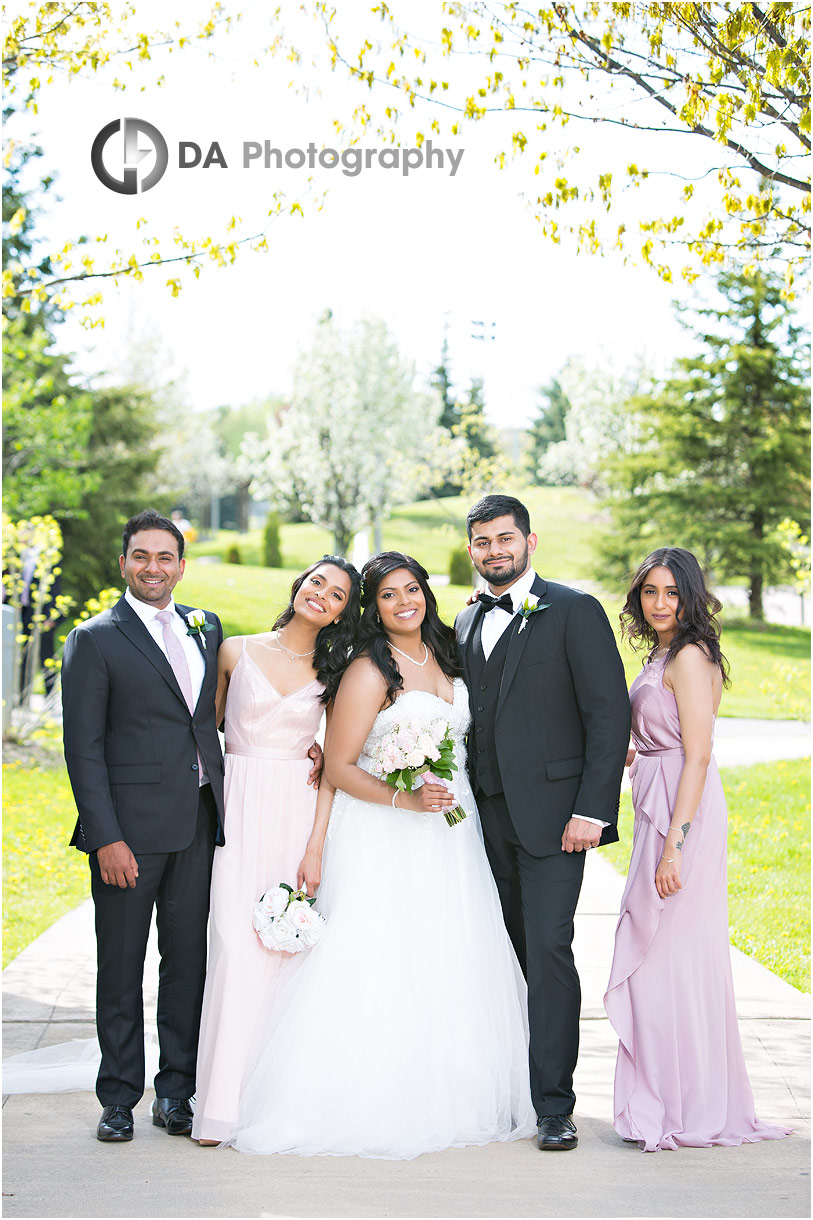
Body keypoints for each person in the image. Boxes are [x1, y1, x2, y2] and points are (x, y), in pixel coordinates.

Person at [229, 552, 536, 1158]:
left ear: (426, 592)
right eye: (388, 595)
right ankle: (373, 1096)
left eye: (411, 589)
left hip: (452, 830)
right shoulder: (370, 670)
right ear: (373, 607)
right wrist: (405, 798)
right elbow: (339, 767)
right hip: (385, 831)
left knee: (451, 955)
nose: (403, 602)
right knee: (381, 958)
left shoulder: (448, 652)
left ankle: (456, 1092)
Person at [456, 494, 630, 1151]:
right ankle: (507, 1090)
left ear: (530, 541)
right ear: (470, 549)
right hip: (483, 820)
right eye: (481, 541)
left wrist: (591, 809)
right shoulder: (465, 619)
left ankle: (553, 1105)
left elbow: (607, 716)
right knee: (498, 955)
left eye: (504, 538)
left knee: (548, 953)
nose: (493, 550)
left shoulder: (575, 610)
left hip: (558, 823)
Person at [603, 547, 792, 1151]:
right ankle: (668, 1098)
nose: (660, 604)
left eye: (672, 593)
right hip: (661, 794)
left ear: (691, 596)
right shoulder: (662, 650)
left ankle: (689, 1105)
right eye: (650, 592)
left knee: (670, 958)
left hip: (685, 815)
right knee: (663, 958)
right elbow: (672, 738)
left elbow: (700, 753)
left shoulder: (688, 654)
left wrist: (675, 847)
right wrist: (639, 752)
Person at [60, 508, 225, 1143]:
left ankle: (175, 1093)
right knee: (121, 967)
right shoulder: (94, 638)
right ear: (123, 562)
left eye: (165, 557)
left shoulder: (205, 627)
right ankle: (119, 1097)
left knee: (187, 966)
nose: (152, 567)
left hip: (198, 827)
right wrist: (106, 837)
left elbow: (208, 720)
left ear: (181, 566)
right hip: (127, 836)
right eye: (141, 556)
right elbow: (84, 749)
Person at [192, 556, 361, 1145]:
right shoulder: (234, 651)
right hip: (235, 811)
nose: (323, 595)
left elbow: (335, 765)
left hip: (294, 810)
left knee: (282, 957)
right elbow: (201, 736)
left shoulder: (332, 672)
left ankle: (267, 1102)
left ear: (344, 611)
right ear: (299, 585)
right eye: (317, 582)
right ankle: (216, 1106)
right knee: (235, 950)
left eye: (338, 594)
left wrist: (315, 846)